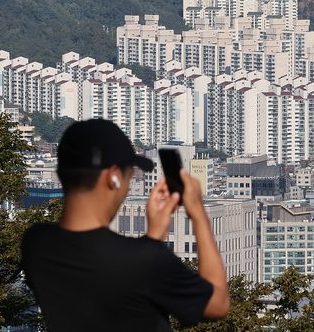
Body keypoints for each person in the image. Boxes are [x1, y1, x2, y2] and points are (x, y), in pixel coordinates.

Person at [21, 119, 230, 331]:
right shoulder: (146, 261)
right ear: (113, 177)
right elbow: (218, 304)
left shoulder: (36, 244)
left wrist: (154, 237)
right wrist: (198, 212)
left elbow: (112, 289)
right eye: (129, 176)